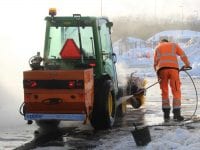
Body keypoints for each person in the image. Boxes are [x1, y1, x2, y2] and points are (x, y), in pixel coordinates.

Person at [153, 39, 191, 122]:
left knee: (164, 91)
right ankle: (177, 114)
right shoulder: (174, 45)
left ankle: (166, 115)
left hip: (162, 70)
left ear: (161, 42)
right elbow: (182, 55)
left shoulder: (157, 47)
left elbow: (155, 63)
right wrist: (187, 64)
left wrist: (158, 76)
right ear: (168, 41)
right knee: (176, 90)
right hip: (173, 70)